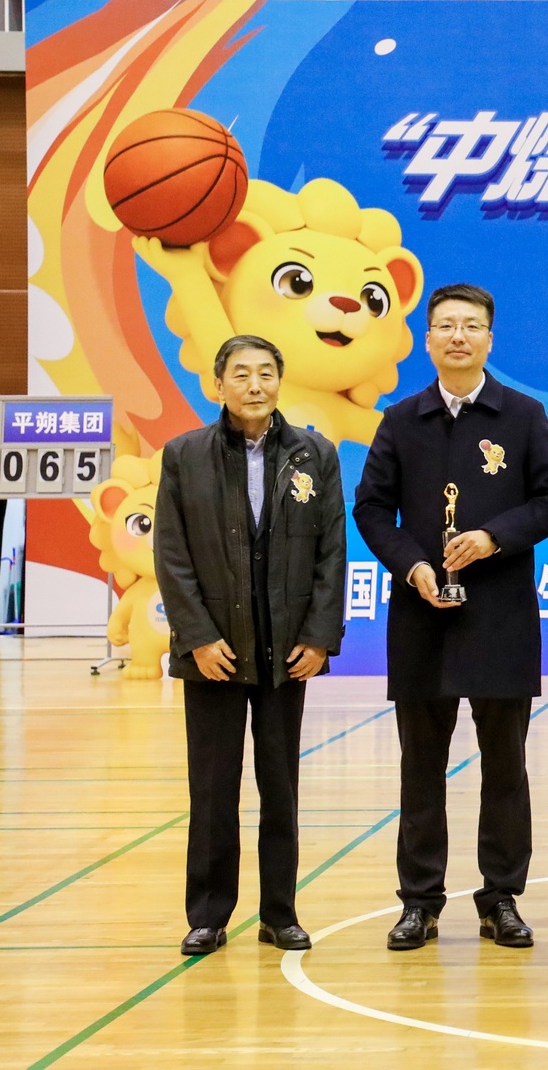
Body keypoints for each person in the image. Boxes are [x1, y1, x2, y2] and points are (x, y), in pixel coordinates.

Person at [353, 284, 548, 952]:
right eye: (445, 325)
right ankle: (419, 901)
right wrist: (411, 565)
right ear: (427, 340)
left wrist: (493, 537)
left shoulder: (523, 415)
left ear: (489, 339)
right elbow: (371, 508)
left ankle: (501, 896)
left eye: (471, 326)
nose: (458, 336)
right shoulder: (401, 419)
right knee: (421, 767)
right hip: (421, 615)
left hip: (500, 616)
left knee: (505, 766)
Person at [153, 334, 346, 957]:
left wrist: (318, 637)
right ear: (219, 385)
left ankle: (279, 913)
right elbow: (172, 555)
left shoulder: (314, 453)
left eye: (266, 372)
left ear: (280, 382)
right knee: (212, 789)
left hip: (286, 653)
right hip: (213, 654)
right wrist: (198, 638)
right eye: (241, 374)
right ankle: (208, 915)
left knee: (280, 787)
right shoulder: (185, 455)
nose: (255, 385)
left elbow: (331, 552)